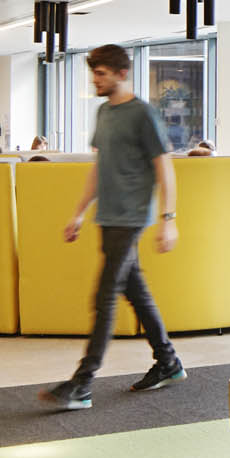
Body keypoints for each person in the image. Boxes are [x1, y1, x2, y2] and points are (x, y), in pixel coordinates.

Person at [38, 43, 185, 411]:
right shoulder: (104, 112)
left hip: (132, 218)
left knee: (104, 296)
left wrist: (168, 219)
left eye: (101, 74)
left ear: (122, 73)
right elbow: (99, 168)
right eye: (94, 73)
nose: (95, 80)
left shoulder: (143, 114)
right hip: (108, 216)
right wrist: (78, 213)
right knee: (136, 293)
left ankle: (82, 383)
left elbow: (165, 168)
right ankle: (168, 362)